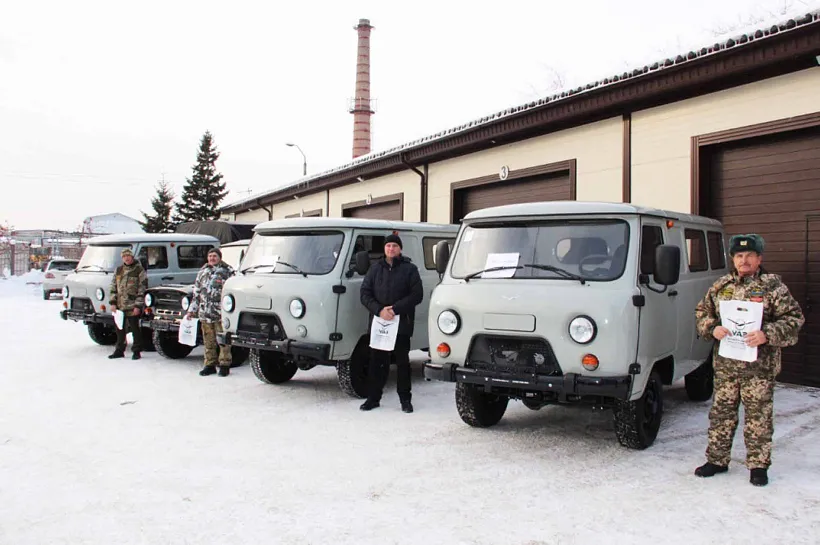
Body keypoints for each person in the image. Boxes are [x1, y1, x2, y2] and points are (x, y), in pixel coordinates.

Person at [694, 234, 804, 487]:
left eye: (750, 255)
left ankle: (758, 466)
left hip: (759, 368)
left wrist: (767, 334)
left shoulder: (773, 287)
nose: (744, 260)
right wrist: (712, 328)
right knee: (721, 415)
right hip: (726, 367)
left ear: (759, 259)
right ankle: (717, 460)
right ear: (733, 259)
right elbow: (702, 312)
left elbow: (794, 319)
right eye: (739, 256)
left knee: (758, 418)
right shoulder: (721, 287)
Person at [359, 233, 424, 413]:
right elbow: (365, 293)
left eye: (394, 246)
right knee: (377, 363)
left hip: (401, 323)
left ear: (400, 249)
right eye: (388, 246)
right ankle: (373, 398)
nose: (391, 248)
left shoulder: (410, 269)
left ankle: (405, 400)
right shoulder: (374, 269)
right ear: (384, 248)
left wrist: (395, 309)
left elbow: (417, 295)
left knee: (402, 363)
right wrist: (379, 310)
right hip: (380, 324)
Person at [187, 248, 235, 376]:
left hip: (220, 314)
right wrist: (192, 310)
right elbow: (196, 293)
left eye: (214, 256)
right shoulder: (203, 272)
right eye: (210, 256)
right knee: (208, 341)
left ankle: (224, 364)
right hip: (205, 313)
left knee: (223, 341)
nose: (212, 258)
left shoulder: (227, 271)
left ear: (220, 257)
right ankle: (210, 364)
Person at [108, 248, 148, 360]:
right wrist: (113, 302)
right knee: (120, 329)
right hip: (120, 306)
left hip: (132, 305)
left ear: (132, 256)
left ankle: (136, 351)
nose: (126, 258)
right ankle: (119, 350)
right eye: (124, 256)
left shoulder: (139, 270)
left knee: (135, 329)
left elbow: (142, 288)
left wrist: (138, 305)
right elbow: (113, 287)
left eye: (128, 256)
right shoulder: (119, 270)